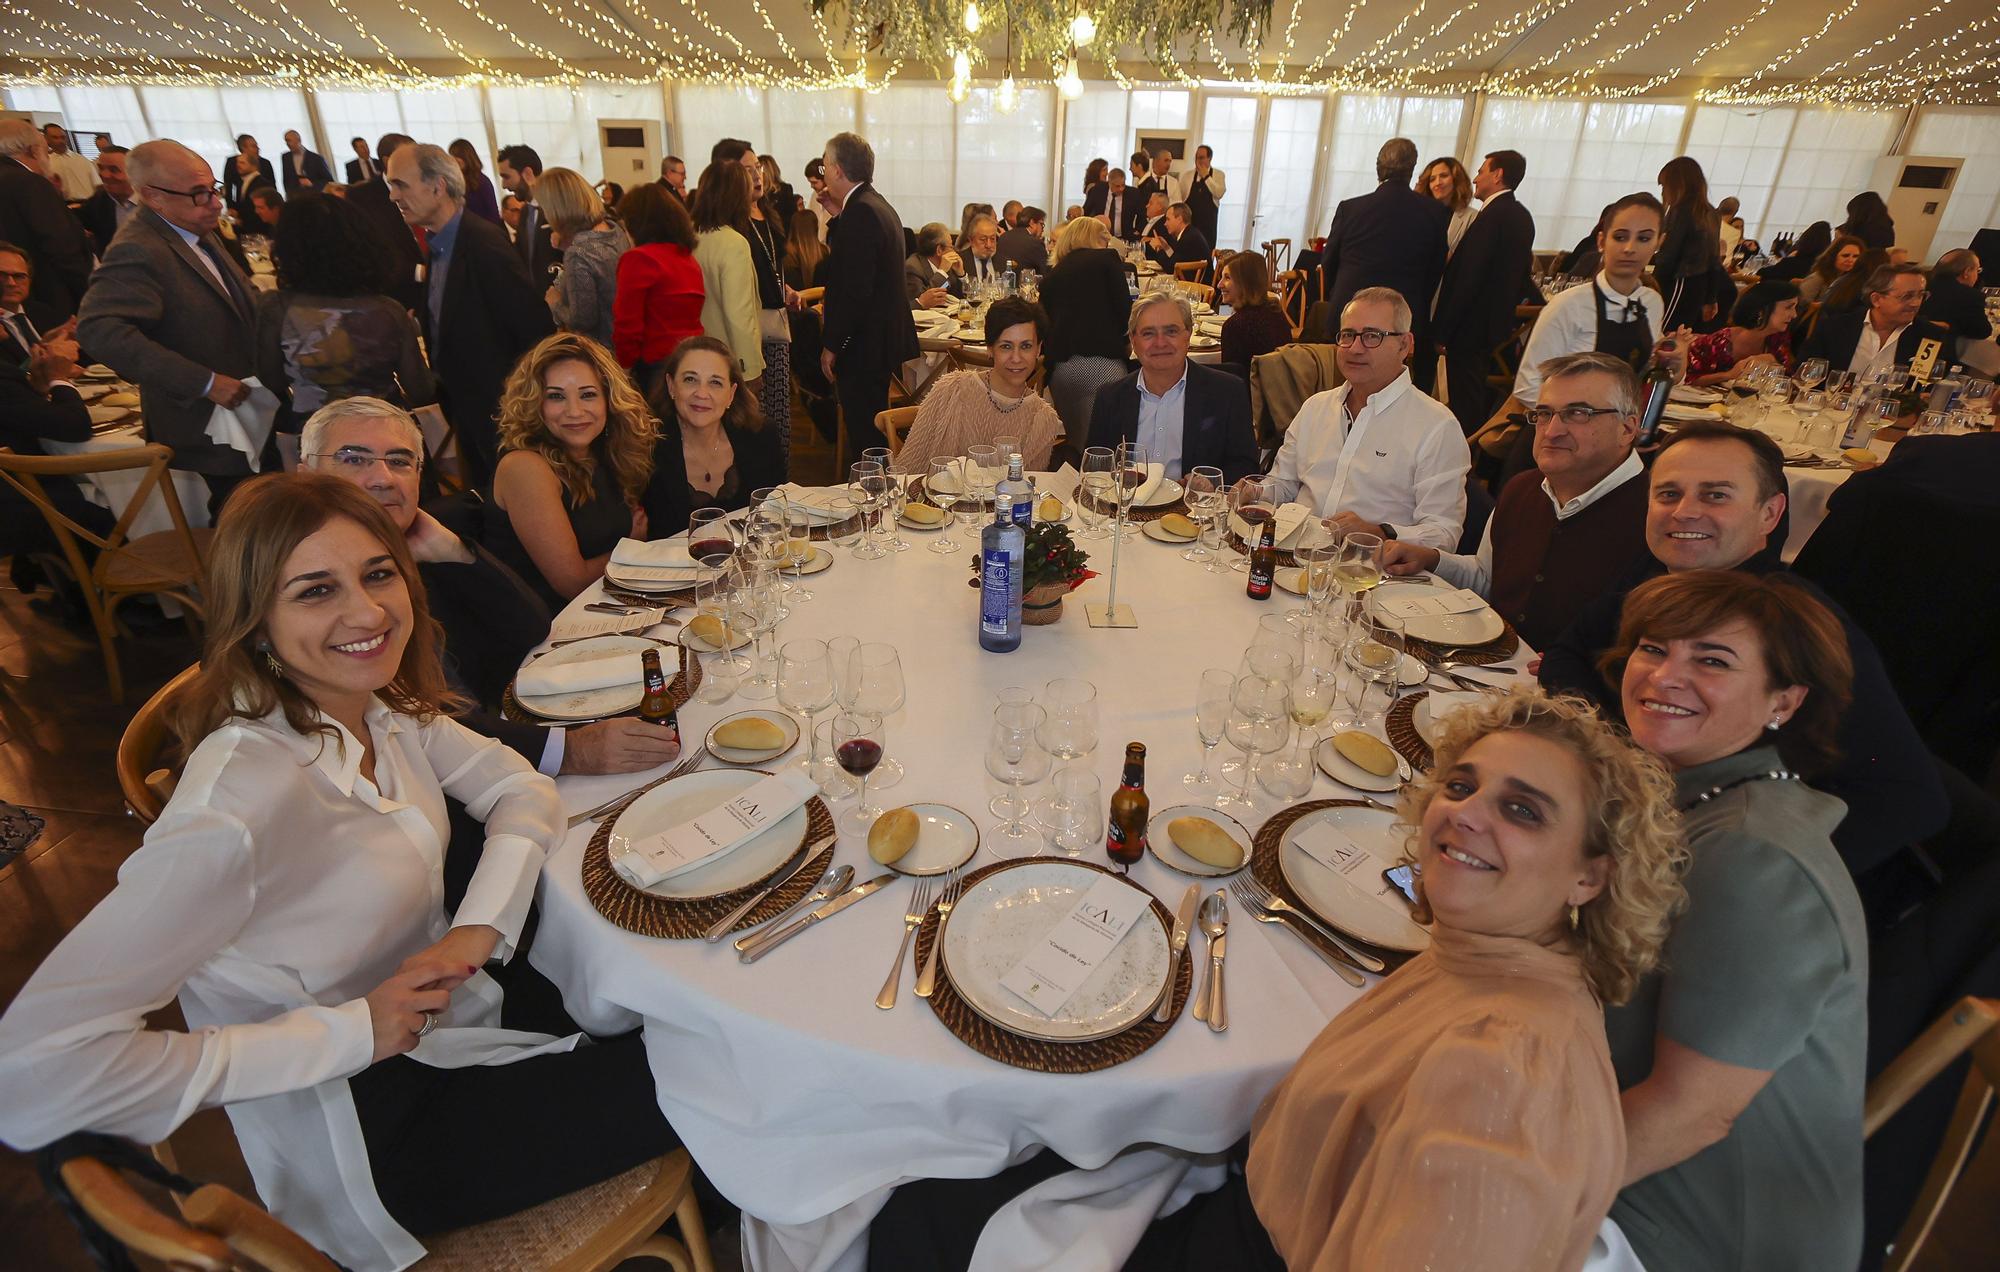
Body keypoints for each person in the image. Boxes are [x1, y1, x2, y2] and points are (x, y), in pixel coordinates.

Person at [0, 472, 684, 1272]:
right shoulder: (237, 808)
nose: (368, 613)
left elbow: (519, 787)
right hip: (375, 1136)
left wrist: (475, 927)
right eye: (316, 590)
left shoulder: (374, 706)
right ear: (254, 617)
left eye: (379, 573)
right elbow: (32, 1074)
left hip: (465, 1021)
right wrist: (350, 1030)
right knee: (710, 1071)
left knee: (680, 1009)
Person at [869, 688, 1689, 1272]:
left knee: (910, 1212)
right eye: (1462, 784)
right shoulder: (1496, 964)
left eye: (1524, 811)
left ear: (1591, 876)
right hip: (1241, 1204)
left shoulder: (1506, 1075)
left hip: (1240, 1248)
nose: (1465, 814)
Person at [1538, 420, 1948, 875]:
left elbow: (1911, 798)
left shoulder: (1792, 626)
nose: (1684, 513)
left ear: (1770, 514)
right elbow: (1567, 654)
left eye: (1715, 495)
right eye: (1669, 494)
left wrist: (1748, 870)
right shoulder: (1658, 574)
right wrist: (1622, 758)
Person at [1603, 569, 1866, 1272]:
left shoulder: (1755, 858)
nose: (1665, 676)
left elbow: (1688, 1114)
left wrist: (1511, 1187)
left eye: (1712, 661)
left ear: (1784, 701)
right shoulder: (1693, 795)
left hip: (1673, 1230)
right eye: (1654, 648)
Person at [299, 398, 685, 778]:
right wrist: (572, 750)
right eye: (354, 458)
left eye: (399, 461)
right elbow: (426, 726)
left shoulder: (420, 550)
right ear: (304, 476)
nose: (382, 478)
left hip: (507, 726)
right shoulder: (304, 593)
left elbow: (530, 629)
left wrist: (455, 552)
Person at [1383, 352, 1648, 650]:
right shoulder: (1523, 489)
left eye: (1578, 413)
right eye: (1544, 413)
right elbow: (1488, 579)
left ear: (1627, 428)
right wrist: (1431, 559)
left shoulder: (1657, 517)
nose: (1552, 430)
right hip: (1493, 664)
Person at [77, 139, 264, 514]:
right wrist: (205, 382)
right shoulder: (139, 246)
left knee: (259, 511)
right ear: (153, 196)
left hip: (246, 407)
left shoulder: (196, 229)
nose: (215, 203)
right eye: (198, 194)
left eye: (214, 189)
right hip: (206, 418)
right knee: (244, 518)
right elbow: (99, 329)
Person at [389, 141, 554, 488]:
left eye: (400, 184)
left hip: (499, 409)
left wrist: (518, 405)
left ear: (438, 186)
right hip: (469, 404)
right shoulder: (441, 243)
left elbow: (534, 330)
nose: (393, 196)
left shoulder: (483, 245)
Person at [485, 332, 692, 607]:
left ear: (609, 399)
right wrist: (632, 549)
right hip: (549, 628)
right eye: (556, 397)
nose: (574, 411)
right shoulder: (524, 468)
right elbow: (572, 583)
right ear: (536, 404)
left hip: (608, 604)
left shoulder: (602, 453)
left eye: (588, 395)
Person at [1259, 287, 1467, 549]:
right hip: (1294, 556)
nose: (1355, 348)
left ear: (1405, 345)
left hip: (1374, 571)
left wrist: (1380, 532)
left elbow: (1444, 533)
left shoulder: (1436, 427)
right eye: (1348, 335)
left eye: (1372, 336)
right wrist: (1254, 493)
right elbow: (1284, 485)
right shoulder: (1316, 407)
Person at [254, 193, 436, 435]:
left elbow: (271, 380)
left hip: (317, 434)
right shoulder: (388, 310)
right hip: (385, 430)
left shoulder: (276, 308)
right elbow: (420, 389)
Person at [1506, 193, 1682, 419]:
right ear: (1601, 241)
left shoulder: (1651, 301)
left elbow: (1645, 373)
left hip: (1623, 431)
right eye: (1620, 237)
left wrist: (1674, 362)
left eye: (1644, 239)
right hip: (1562, 431)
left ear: (1660, 242)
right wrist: (1581, 421)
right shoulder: (1569, 304)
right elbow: (1527, 386)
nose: (1630, 248)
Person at [816, 131, 919, 462]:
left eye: (824, 165)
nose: (823, 173)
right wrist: (838, 215)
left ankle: (872, 501)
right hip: (881, 340)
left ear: (837, 169)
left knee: (865, 442)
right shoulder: (875, 204)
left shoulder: (861, 212)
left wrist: (831, 345)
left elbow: (853, 290)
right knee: (871, 432)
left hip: (864, 344)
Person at [1086, 292, 1257, 483]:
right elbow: (1095, 469)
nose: (1160, 343)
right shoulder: (1110, 397)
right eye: (1148, 333)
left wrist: (1211, 482)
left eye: (1171, 331)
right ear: (1134, 341)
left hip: (1194, 507)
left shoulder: (1227, 392)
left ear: (1188, 335)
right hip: (1128, 507)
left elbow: (1246, 466)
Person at [1319, 138, 1448, 365]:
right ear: (1412, 169)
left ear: (1378, 167)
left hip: (1350, 311)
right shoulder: (1435, 212)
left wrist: (1340, 295)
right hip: (1403, 317)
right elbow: (1435, 270)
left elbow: (1329, 262)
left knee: (1341, 383)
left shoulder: (1351, 209)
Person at [1433, 149, 1537, 429]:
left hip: (1471, 325)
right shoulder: (1520, 215)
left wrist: (1444, 328)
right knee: (1474, 394)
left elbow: (1470, 277)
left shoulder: (1494, 216)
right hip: (1492, 325)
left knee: (1465, 399)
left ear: (1497, 174)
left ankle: (1464, 453)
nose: (1476, 178)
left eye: (1481, 171)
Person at [898, 297, 1063, 473]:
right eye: (1006, 346)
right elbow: (907, 469)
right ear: (990, 349)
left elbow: (1028, 490)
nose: (1016, 358)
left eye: (1026, 346)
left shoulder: (1044, 420)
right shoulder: (951, 390)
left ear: (1038, 349)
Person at [716, 140, 796, 457]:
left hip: (775, 323)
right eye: (748, 171)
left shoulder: (767, 214)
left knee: (778, 410)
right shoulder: (731, 224)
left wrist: (785, 288)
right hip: (747, 331)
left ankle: (780, 472)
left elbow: (771, 266)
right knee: (753, 411)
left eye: (758, 167)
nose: (757, 176)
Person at [654, 334, 783, 514]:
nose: (702, 393)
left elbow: (776, 515)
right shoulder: (646, 448)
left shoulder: (761, 437)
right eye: (690, 379)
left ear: (731, 394)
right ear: (671, 386)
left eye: (715, 382)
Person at [1040, 214, 1133, 441]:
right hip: (1103, 367)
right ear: (1093, 239)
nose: (1106, 245)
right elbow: (1126, 315)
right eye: (1104, 239)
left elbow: (1044, 323)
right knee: (1103, 450)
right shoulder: (1107, 260)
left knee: (1078, 442)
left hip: (1061, 373)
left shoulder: (1053, 276)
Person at [612, 181, 705, 391]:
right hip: (692, 359)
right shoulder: (687, 258)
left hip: (655, 367)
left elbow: (628, 325)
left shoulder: (638, 259)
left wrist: (623, 370)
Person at [0, 119, 93, 318]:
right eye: (45, 150)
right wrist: (90, 290)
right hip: (50, 291)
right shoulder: (30, 183)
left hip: (11, 294)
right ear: (33, 150)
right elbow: (60, 244)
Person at [689, 159, 766, 391]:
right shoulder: (733, 243)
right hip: (729, 361)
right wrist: (749, 369)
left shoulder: (691, 236)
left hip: (696, 354)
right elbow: (739, 314)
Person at [1801, 262, 1952, 380]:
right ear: (1877, 299)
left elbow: (1927, 387)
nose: (1916, 303)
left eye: (1921, 295)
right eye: (1907, 296)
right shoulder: (1835, 328)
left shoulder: (1930, 336)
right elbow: (1806, 372)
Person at [536, 167, 630, 351]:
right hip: (623, 341)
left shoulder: (578, 252)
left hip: (602, 351)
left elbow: (582, 320)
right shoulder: (614, 229)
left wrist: (554, 303)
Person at [343, 132, 425, 314]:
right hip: (397, 297)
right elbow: (369, 253)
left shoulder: (426, 185)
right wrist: (421, 272)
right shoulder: (362, 198)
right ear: (388, 161)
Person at [1684, 280, 1800, 385]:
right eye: (1788, 307)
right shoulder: (1719, 342)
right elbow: (1687, 380)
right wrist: (1729, 375)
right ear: (1762, 309)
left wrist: (1774, 364)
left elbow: (1789, 381)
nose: (1794, 315)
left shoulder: (1778, 340)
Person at [1654, 156, 1722, 331]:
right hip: (1698, 285)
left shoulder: (1681, 211)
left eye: (1663, 186)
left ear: (1676, 184)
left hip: (1678, 282)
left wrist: (1653, 285)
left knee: (1661, 331)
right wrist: (1711, 297)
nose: (1662, 192)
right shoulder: (1711, 213)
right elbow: (1715, 259)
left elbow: (1668, 255)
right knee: (1680, 335)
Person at [496, 144, 562, 292]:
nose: (504, 185)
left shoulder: (558, 207)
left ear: (527, 173)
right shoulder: (526, 211)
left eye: (506, 177)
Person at [1217, 251, 1292, 372]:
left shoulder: (1235, 326)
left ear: (1244, 283)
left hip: (1250, 390)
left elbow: (1230, 381)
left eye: (1227, 278)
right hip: (1279, 388)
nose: (1219, 285)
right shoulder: (1275, 312)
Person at [0, 241, 67, 365]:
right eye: (1, 275)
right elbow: (10, 376)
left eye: (19, 276)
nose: (11, 283)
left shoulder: (43, 312)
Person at [1921, 247, 1993, 346]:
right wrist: (1952, 328)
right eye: (1977, 270)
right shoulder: (1969, 295)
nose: (1977, 276)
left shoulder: (1922, 284)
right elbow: (1983, 331)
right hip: (1941, 350)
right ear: (1967, 272)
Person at [75, 145, 138, 255]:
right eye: (101, 168)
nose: (104, 175)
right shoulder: (100, 200)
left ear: (134, 173)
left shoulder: (154, 202)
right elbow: (73, 220)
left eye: (114, 170)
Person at [1418, 156, 1477, 256]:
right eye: (1432, 179)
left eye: (1444, 176)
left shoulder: (1472, 217)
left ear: (1456, 179)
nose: (1437, 183)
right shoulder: (1420, 214)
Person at [904, 222, 964, 307]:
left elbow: (959, 296)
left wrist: (960, 275)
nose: (953, 251)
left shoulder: (947, 266)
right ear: (939, 250)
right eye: (950, 247)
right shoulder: (913, 267)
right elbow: (922, 301)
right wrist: (942, 272)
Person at [1145, 202, 1211, 277]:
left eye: (1168, 219)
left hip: (1195, 286)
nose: (1165, 224)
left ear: (1179, 219)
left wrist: (1158, 248)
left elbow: (1170, 268)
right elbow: (1176, 261)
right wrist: (1166, 248)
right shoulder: (1189, 233)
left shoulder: (1189, 238)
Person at [1796, 233, 1864, 305]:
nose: (1850, 260)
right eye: (1845, 256)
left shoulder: (1855, 279)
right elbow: (1801, 305)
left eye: (1855, 256)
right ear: (1833, 256)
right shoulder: (1817, 278)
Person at [448, 138, 502, 225]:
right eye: (451, 156)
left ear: (467, 157)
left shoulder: (482, 181)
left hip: (484, 231)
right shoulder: (455, 182)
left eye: (457, 156)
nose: (454, 160)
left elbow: (492, 214)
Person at [1758, 220, 1831, 284]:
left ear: (1805, 239)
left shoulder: (1793, 262)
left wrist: (1785, 259)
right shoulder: (1822, 266)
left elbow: (1763, 273)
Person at [224, 135, 276, 222]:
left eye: (256, 146)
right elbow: (229, 186)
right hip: (239, 207)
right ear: (243, 148)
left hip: (261, 209)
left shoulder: (265, 163)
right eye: (253, 146)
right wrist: (231, 208)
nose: (258, 149)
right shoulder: (232, 162)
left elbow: (272, 187)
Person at [39, 123, 97, 201]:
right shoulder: (44, 163)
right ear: (46, 138)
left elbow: (98, 184)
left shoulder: (82, 160)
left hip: (88, 203)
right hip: (63, 206)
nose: (60, 141)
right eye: (55, 137)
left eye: (63, 137)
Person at [1183, 144, 1224, 250]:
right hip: (1190, 226)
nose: (1198, 161)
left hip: (1208, 227)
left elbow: (1219, 193)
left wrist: (1206, 176)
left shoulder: (1219, 174)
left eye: (1201, 158)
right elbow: (1181, 199)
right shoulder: (1187, 176)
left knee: (1207, 255)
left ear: (1209, 158)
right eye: (1196, 157)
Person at [1082, 166, 1140, 241]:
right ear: (1109, 183)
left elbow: (1142, 214)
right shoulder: (1097, 190)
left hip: (1124, 238)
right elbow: (1086, 211)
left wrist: (1138, 230)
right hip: (1100, 236)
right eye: (1117, 186)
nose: (1121, 189)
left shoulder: (1133, 193)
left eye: (1123, 185)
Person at [783, 206, 829, 290]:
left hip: (799, 301)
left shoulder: (787, 255)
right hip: (822, 301)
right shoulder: (825, 251)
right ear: (815, 227)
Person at [277, 129, 332, 197]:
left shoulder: (316, 158)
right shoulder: (285, 157)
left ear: (298, 140)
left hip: (313, 195)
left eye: (289, 140)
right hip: (294, 196)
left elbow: (328, 180)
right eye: (286, 141)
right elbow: (286, 178)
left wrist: (312, 184)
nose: (287, 144)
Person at [995, 206, 1048, 274]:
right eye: (1041, 224)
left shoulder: (1003, 236)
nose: (1042, 229)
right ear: (1031, 223)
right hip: (1024, 283)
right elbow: (1044, 272)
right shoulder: (1035, 243)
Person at [960, 214, 1005, 291]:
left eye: (992, 239)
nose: (988, 245)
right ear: (971, 240)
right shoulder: (960, 261)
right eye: (983, 239)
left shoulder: (1003, 262)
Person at [1715, 195, 1743, 264]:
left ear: (1720, 206)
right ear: (1736, 211)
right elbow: (1726, 260)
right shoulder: (1734, 233)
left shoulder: (1703, 221)